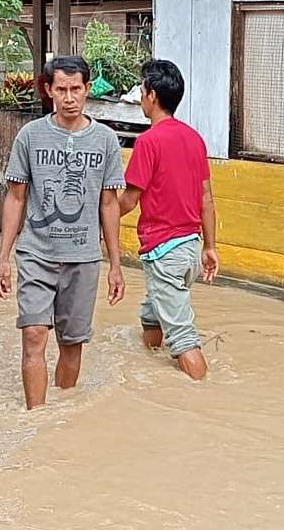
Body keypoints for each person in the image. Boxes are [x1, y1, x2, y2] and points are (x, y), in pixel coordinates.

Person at [0, 55, 126, 410]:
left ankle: (62, 418)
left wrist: (115, 264)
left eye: (76, 89)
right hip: (36, 253)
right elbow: (16, 197)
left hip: (84, 258)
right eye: (62, 90)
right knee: (34, 334)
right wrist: (3, 258)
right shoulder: (30, 136)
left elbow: (109, 205)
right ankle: (36, 417)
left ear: (87, 90)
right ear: (49, 90)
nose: (69, 98)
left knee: (71, 344)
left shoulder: (106, 141)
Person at [118, 59, 218, 380]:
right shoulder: (194, 138)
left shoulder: (148, 141)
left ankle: (205, 396)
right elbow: (206, 199)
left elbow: (129, 200)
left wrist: (97, 215)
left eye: (143, 89)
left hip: (164, 251)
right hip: (190, 248)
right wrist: (210, 248)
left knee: (184, 337)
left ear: (151, 95)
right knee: (152, 311)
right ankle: (151, 369)